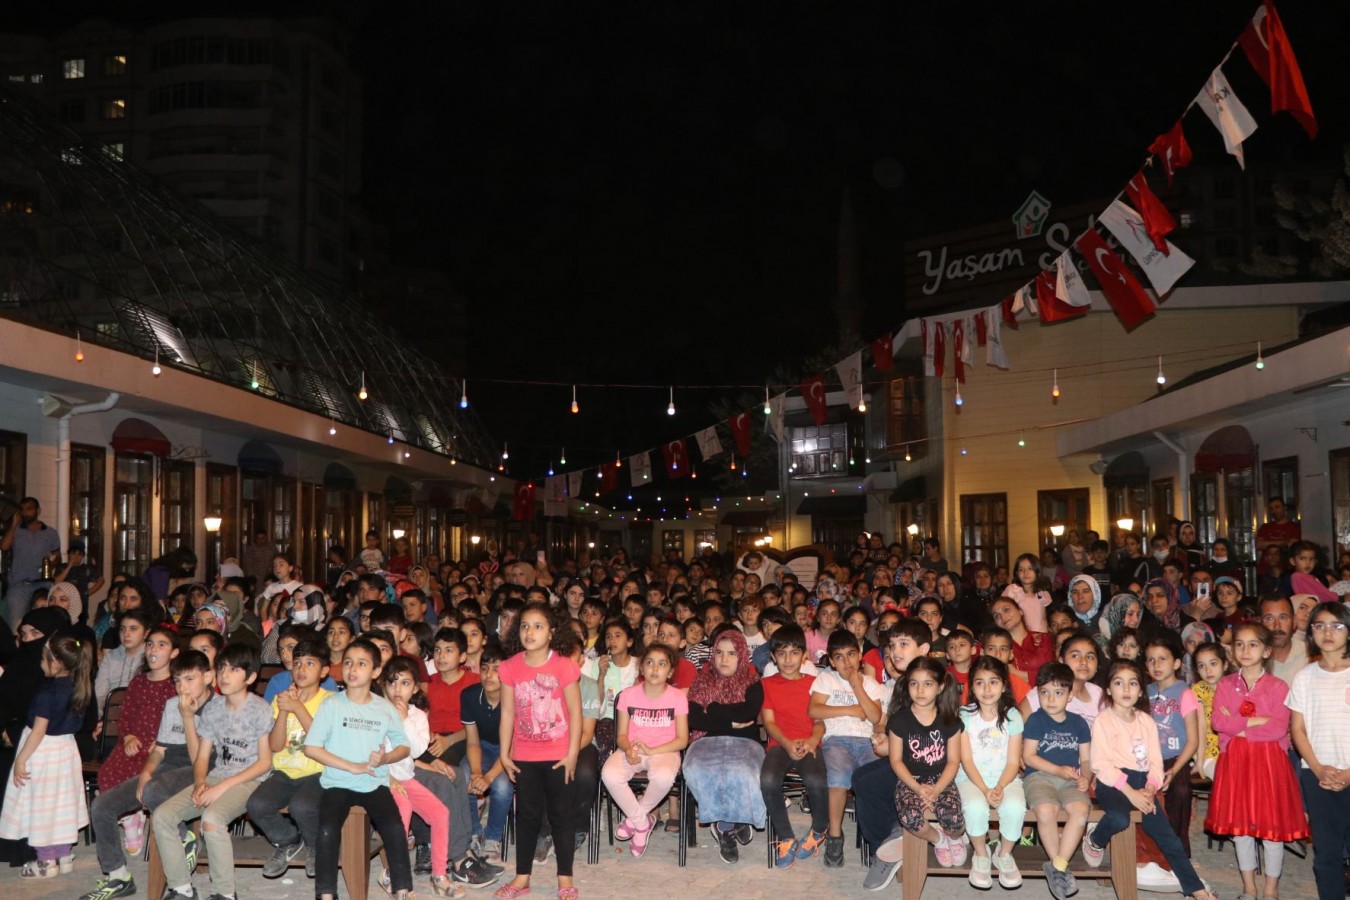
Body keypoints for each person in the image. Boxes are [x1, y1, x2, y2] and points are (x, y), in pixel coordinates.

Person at [79, 649, 214, 900]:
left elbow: (199, 762)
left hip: (199, 770)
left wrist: (188, 718)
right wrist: (146, 772)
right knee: (102, 805)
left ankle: (186, 838)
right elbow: (160, 749)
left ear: (208, 677)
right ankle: (118, 877)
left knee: (154, 790)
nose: (182, 687)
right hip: (166, 768)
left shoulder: (216, 707)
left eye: (189, 679)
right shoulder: (173, 704)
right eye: (177, 681)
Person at [1083, 659, 1216, 900]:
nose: (1126, 690)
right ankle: (1094, 839)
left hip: (1142, 783)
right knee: (1119, 818)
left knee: (1167, 836)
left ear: (1140, 690)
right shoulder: (1104, 720)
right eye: (1119, 683)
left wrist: (1151, 787)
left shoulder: (1146, 721)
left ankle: (1197, 890)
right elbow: (1101, 765)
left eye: (1132, 683)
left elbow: (1155, 762)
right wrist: (1131, 793)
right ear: (1109, 690)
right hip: (1113, 781)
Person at [151, 643, 274, 900]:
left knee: (212, 820)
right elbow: (202, 756)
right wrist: (200, 783)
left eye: (233, 669)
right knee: (162, 816)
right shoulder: (214, 709)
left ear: (250, 677)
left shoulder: (260, 709)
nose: (224, 675)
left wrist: (220, 787)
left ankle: (224, 893)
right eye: (221, 668)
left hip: (251, 780)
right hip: (216, 776)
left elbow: (264, 764)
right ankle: (182, 888)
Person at [303, 639, 414, 900]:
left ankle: (402, 890)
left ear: (375, 671)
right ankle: (326, 893)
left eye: (362, 664)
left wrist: (385, 758)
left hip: (373, 782)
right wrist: (351, 767)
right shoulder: (332, 704)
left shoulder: (384, 708)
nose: (353, 668)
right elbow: (312, 748)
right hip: (337, 782)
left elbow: (403, 747)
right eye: (349, 662)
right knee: (327, 829)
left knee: (395, 828)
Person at [1205, 622, 1308, 900]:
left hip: (1269, 763)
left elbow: (1277, 728)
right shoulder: (1226, 684)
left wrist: (1237, 725)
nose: (1245, 650)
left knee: (1271, 829)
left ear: (1265, 651)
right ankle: (1249, 888)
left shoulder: (1278, 686)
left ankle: (1270, 890)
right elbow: (1217, 721)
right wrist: (1253, 720)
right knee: (1241, 829)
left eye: (1253, 644)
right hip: (1236, 763)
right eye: (1239, 644)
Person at [494, 604, 582, 900]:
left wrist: (572, 754)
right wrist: (505, 754)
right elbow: (507, 713)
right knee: (527, 816)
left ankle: (565, 879)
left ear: (552, 632)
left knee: (561, 816)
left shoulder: (564, 666)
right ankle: (522, 878)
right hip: (525, 755)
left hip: (559, 754)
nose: (530, 632)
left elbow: (575, 712)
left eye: (538, 626)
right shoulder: (509, 667)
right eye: (525, 626)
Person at [0, 631, 92, 878]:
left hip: (43, 753)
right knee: (60, 804)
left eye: (44, 658)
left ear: (57, 663)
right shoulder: (80, 686)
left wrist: (21, 759)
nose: (41, 663)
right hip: (66, 750)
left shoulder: (47, 692)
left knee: (41, 805)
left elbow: (39, 731)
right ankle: (63, 854)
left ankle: (45, 862)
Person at [247, 639, 330, 880]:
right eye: (297, 663)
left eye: (310, 663)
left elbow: (320, 742)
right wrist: (284, 709)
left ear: (324, 671)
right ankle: (289, 841)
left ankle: (315, 845)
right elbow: (274, 745)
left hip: (318, 772)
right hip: (284, 771)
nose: (302, 669)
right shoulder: (281, 700)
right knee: (257, 805)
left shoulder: (329, 701)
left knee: (302, 806)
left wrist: (297, 707)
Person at [682, 627, 765, 865]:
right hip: (705, 740)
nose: (724, 659)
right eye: (719, 652)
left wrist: (715, 709)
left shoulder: (753, 681)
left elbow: (749, 713)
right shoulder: (701, 681)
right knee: (698, 768)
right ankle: (730, 823)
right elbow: (694, 718)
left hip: (746, 742)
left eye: (731, 653)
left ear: (741, 655)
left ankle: (728, 822)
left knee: (742, 771)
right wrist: (730, 721)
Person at [380, 656, 461, 898]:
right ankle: (394, 876)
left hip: (405, 777)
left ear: (415, 688)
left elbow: (416, 750)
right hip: (381, 778)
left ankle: (439, 875)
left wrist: (403, 720)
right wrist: (388, 779)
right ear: (384, 685)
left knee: (440, 813)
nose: (397, 689)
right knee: (403, 809)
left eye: (405, 683)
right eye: (393, 682)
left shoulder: (416, 716)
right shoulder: (375, 710)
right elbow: (369, 751)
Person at [94, 626, 178, 857]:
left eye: (162, 644)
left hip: (159, 746)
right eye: (150, 643)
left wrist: (160, 743)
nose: (154, 649)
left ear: (174, 653)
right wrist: (129, 736)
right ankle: (131, 818)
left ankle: (133, 813)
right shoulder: (139, 681)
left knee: (144, 774)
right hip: (134, 741)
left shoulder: (175, 684)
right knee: (108, 773)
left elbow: (177, 720)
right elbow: (126, 715)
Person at [1286, 602, 1350, 900]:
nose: (1328, 632)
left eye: (1337, 625)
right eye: (1319, 625)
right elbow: (1297, 730)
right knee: (1326, 852)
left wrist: (1348, 773)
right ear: (1310, 632)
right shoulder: (1305, 677)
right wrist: (1318, 767)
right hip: (1316, 775)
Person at [601, 643, 689, 860]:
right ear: (641, 667)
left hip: (664, 751)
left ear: (670, 672)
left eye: (662, 664)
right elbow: (621, 735)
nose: (655, 669)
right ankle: (643, 821)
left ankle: (634, 820)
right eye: (649, 662)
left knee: (663, 776)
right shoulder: (628, 695)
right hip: (632, 750)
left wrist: (653, 750)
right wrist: (628, 749)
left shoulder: (677, 697)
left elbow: (682, 740)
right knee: (609, 775)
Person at [809, 629, 886, 866]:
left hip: (867, 742)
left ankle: (879, 838)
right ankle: (834, 836)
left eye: (851, 654)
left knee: (877, 780)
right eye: (839, 657)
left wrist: (857, 686)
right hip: (836, 740)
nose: (846, 662)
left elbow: (875, 718)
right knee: (838, 778)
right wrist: (850, 710)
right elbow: (814, 710)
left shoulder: (871, 684)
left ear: (860, 654)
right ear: (831, 661)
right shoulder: (826, 679)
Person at [887, 656, 967, 868]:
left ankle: (955, 838)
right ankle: (937, 839)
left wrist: (937, 790)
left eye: (928, 684)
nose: (920, 690)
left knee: (954, 821)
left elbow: (953, 762)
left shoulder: (950, 721)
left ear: (940, 687)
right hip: (910, 780)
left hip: (942, 779)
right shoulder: (899, 720)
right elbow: (895, 761)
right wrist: (918, 789)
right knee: (910, 818)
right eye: (914, 684)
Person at [759, 624, 828, 869]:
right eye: (781, 653)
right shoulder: (767, 684)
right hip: (780, 744)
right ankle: (786, 837)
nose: (788, 659)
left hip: (810, 743)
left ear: (804, 655)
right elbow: (768, 722)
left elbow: (820, 721)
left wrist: (811, 741)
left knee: (817, 781)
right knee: (768, 780)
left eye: (794, 652)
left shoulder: (815, 682)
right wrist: (787, 743)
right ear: (773, 657)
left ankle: (819, 830)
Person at [1022, 662, 1092, 900]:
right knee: (1046, 809)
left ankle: (1058, 866)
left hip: (1070, 778)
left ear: (1070, 695)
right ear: (1037, 693)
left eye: (1058, 693)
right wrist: (1057, 770)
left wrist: (1086, 778)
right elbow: (1028, 756)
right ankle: (1060, 868)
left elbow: (1086, 758)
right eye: (1044, 692)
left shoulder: (1079, 723)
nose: (1051, 699)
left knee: (1081, 810)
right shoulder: (1035, 720)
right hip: (1040, 776)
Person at [956, 655, 1025, 890]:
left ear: (1004, 685)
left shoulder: (1013, 716)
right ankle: (981, 854)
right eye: (980, 682)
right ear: (972, 687)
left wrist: (999, 787)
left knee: (1015, 807)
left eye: (993, 682)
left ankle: (1003, 854)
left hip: (1005, 779)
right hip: (971, 779)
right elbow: (965, 759)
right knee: (975, 807)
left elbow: (1014, 761)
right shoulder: (964, 715)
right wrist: (985, 789)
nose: (987, 689)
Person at [1142, 634, 1200, 855]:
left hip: (1176, 757)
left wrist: (1174, 770)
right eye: (1151, 660)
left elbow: (1193, 740)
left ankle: (1178, 850)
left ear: (1176, 663)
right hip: (1148, 756)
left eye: (1162, 659)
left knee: (1182, 790)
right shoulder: (1145, 692)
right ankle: (1148, 849)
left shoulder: (1184, 693)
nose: (1156, 665)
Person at [464, 647, 513, 861]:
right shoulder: (470, 695)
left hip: (509, 751)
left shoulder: (516, 698)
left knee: (502, 786)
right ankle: (473, 832)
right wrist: (476, 773)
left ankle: (493, 837)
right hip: (481, 747)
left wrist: (489, 777)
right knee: (464, 778)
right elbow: (473, 741)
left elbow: (512, 748)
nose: (489, 675)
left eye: (496, 669)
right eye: (485, 669)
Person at [0, 497, 61, 625]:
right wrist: (14, 524)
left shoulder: (51, 533)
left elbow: (57, 556)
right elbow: (4, 546)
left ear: (38, 511)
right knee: (17, 622)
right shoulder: (16, 530)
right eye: (22, 510)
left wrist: (51, 563)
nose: (25, 513)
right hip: (19, 585)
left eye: (29, 509)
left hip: (43, 584)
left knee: (43, 621)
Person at [94, 607, 154, 721]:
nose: (126, 634)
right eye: (122, 629)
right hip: (111, 718)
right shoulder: (111, 657)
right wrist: (98, 720)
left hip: (141, 719)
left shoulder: (152, 657)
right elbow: (99, 693)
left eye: (133, 629)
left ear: (146, 633)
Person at [988, 596, 1053, 684]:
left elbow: (1054, 674)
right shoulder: (998, 648)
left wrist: (1017, 674)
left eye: (1006, 610)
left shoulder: (1044, 638)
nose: (1003, 616)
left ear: (1020, 611)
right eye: (997, 616)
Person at [1002, 553, 1053, 635]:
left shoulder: (1042, 594)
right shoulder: (1013, 591)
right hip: (1019, 636)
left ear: (1037, 571)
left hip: (1040, 635)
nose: (1026, 573)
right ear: (1017, 573)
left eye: (1030, 568)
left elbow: (1043, 618)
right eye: (1021, 570)